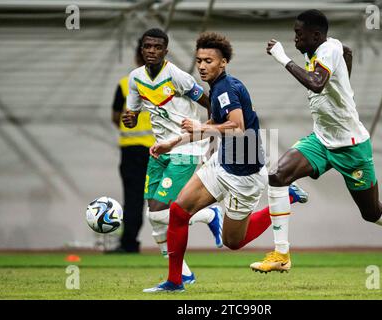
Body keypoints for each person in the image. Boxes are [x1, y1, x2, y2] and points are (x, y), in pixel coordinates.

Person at [250, 9, 382, 273]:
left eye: (298, 34)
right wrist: (342, 86)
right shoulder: (321, 50)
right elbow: (347, 51)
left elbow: (316, 83)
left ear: (316, 35)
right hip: (321, 140)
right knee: (278, 175)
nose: (294, 39)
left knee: (371, 212)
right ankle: (281, 254)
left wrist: (283, 58)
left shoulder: (327, 50)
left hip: (351, 146)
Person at [143, 32, 308, 293]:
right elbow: (212, 125)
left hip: (245, 175)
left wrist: (199, 126)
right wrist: (173, 142)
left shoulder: (227, 88)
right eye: (199, 60)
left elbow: (238, 127)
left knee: (233, 242)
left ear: (223, 63)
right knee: (178, 211)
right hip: (223, 163)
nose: (202, 66)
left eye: (209, 60)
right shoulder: (218, 87)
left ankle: (287, 197)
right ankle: (175, 281)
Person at [123, 28, 223, 284]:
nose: (152, 51)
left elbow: (209, 102)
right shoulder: (135, 79)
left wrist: (210, 135)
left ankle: (210, 215)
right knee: (154, 217)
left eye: (158, 47)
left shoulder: (178, 76)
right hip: (160, 149)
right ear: (141, 50)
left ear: (165, 51)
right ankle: (184, 273)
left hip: (185, 149)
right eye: (148, 46)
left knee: (159, 212)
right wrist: (130, 118)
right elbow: (132, 115)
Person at [109, 38, 155, 253]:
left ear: (137, 57)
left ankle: (129, 243)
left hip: (132, 149)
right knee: (165, 197)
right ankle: (171, 244)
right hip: (158, 150)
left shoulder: (124, 84)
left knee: (133, 197)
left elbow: (115, 117)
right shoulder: (164, 83)